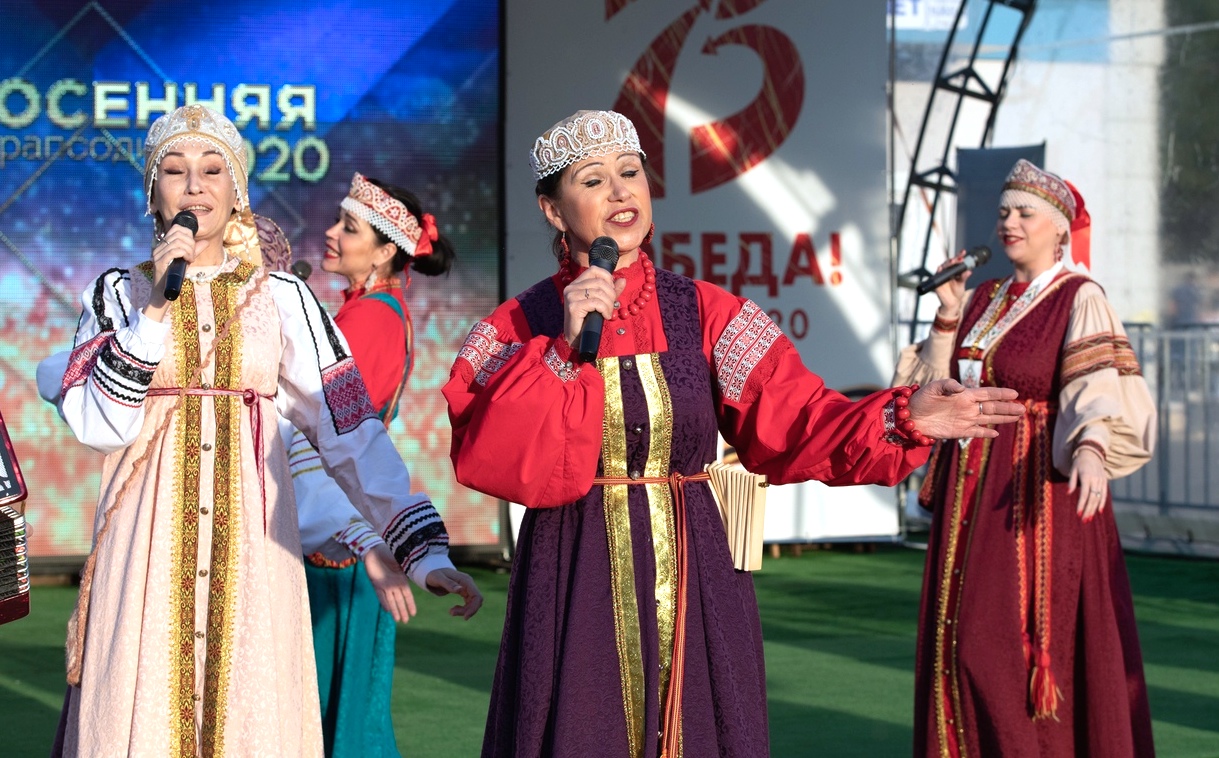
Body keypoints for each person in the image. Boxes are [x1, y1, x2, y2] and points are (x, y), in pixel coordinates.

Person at [442, 109, 1025, 757]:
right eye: (592, 180)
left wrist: (903, 416)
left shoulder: (707, 312)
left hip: (696, 574)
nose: (619, 192)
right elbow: (491, 456)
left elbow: (801, 419)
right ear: (552, 211)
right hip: (574, 572)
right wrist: (559, 350)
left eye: (630, 173)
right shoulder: (515, 325)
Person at [51, 104, 480, 756]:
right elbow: (98, 425)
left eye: (212, 168)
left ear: (237, 189)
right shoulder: (117, 294)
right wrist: (154, 314)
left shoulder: (283, 297)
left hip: (253, 551)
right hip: (143, 554)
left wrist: (418, 545)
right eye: (174, 169)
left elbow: (351, 430)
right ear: (151, 193)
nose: (194, 185)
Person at [894, 159, 1156, 757]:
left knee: (999, 650)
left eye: (1025, 213)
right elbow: (927, 390)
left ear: (1059, 228)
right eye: (1005, 211)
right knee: (954, 646)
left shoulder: (1080, 296)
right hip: (970, 490)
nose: (1009, 222)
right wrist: (946, 313)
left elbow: (1096, 388)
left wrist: (1092, 447)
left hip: (1034, 493)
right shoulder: (982, 295)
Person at [291, 172, 458, 757]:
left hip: (336, 527)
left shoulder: (369, 320)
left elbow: (328, 434)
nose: (332, 234)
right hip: (338, 517)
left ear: (386, 250)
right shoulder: (372, 311)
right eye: (338, 221)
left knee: (329, 716)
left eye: (349, 227)